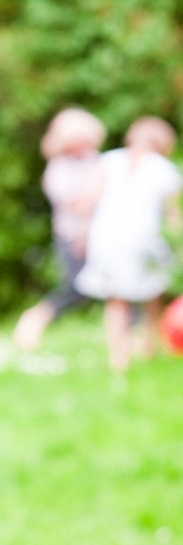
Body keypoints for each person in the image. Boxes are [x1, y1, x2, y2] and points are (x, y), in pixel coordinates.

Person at [75, 116, 183, 370]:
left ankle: (118, 357)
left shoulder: (108, 160)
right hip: (144, 238)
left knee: (116, 299)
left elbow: (87, 202)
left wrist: (80, 234)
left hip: (106, 237)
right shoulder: (164, 168)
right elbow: (173, 215)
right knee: (153, 293)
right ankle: (149, 346)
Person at [13, 108, 106, 351]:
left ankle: (132, 337)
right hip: (72, 237)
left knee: (118, 285)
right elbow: (78, 206)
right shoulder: (58, 169)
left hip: (100, 235)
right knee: (75, 289)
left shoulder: (94, 160)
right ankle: (35, 319)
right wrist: (97, 190)